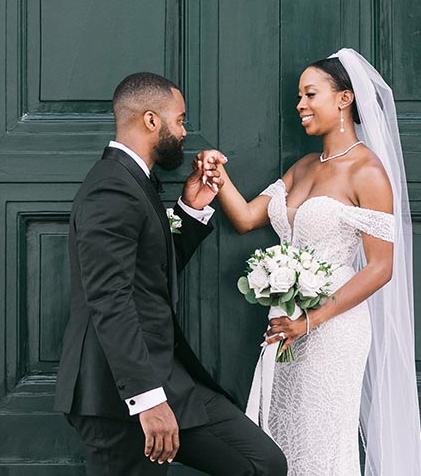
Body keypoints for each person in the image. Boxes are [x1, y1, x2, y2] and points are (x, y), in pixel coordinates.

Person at [197, 48, 421, 476]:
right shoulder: (303, 167)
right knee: (281, 437)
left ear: (344, 98)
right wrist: (217, 174)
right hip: (285, 324)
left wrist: (312, 320)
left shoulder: (368, 172)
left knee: (321, 444)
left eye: (310, 95)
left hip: (333, 328)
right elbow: (248, 217)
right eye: (299, 97)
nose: (300, 105)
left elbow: (380, 268)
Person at [54, 70, 287, 476]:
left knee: (263, 463)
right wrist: (147, 399)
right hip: (118, 393)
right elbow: (110, 298)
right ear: (150, 120)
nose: (183, 132)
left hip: (167, 377)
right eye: (179, 120)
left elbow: (147, 276)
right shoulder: (110, 187)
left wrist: (190, 209)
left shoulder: (135, 181)